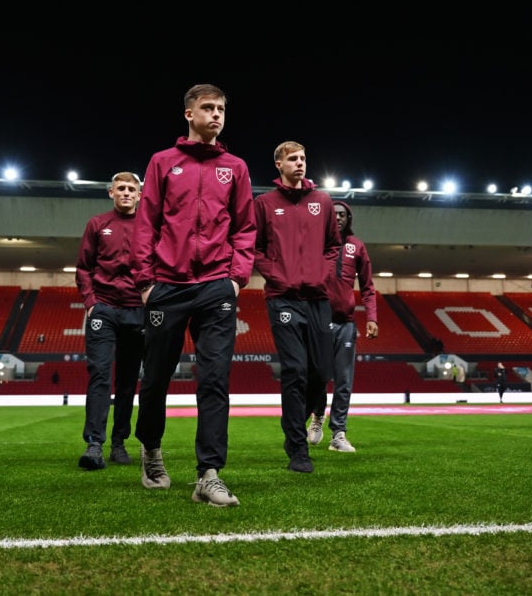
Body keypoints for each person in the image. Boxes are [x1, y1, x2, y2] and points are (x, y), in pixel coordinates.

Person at [130, 83, 255, 507]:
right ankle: (151, 450)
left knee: (215, 381)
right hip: (167, 285)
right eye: (208, 108)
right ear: (189, 113)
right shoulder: (163, 162)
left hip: (217, 286)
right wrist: (147, 283)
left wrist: (236, 278)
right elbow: (145, 224)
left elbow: (244, 227)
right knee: (156, 379)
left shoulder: (235, 167)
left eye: (221, 108)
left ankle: (209, 473)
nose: (216, 115)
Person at [254, 141, 341, 473]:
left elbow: (334, 244)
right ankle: (297, 448)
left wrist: (321, 273)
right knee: (294, 370)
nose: (300, 163)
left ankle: (294, 418)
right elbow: (257, 247)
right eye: (292, 159)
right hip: (283, 298)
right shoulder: (264, 203)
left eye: (303, 158)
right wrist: (277, 276)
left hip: (318, 298)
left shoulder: (322, 201)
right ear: (279, 164)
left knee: (321, 372)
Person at [75, 171, 145, 471]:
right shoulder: (97, 223)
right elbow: (83, 268)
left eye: (132, 189)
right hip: (104, 309)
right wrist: (91, 304)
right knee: (100, 375)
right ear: (111, 192)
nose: (127, 193)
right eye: (121, 188)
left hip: (137, 311)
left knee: (128, 382)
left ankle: (119, 442)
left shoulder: (150, 226)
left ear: (140, 195)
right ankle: (94, 444)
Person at [307, 200, 378, 451]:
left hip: (346, 323)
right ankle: (317, 415)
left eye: (342, 215)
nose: (337, 218)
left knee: (344, 381)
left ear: (349, 219)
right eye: (333, 214)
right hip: (318, 321)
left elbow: (368, 287)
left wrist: (371, 317)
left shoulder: (357, 247)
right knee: (317, 376)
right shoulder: (316, 243)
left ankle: (338, 433)